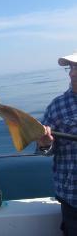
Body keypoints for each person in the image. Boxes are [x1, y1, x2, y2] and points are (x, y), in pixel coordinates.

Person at [37, 51, 77, 236]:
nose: (72, 73)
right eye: (71, 68)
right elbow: (44, 150)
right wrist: (45, 143)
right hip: (72, 199)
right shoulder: (57, 106)